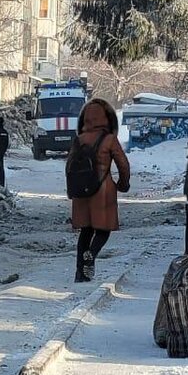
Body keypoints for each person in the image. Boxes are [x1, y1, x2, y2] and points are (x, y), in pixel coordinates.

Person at [67, 98, 131, 283]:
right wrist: (123, 184)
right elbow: (123, 164)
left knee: (85, 231)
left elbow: (69, 166)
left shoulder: (78, 139)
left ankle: (80, 273)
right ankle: (91, 255)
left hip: (81, 191)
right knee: (103, 229)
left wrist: (73, 190)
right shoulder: (109, 139)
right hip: (103, 190)